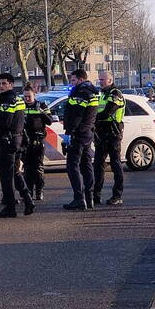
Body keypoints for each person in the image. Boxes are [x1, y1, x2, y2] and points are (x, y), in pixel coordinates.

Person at [0, 73, 35, 218]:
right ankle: (28, 200)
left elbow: (5, 122)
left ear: (11, 84)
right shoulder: (15, 98)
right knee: (15, 172)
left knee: (6, 176)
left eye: (4, 83)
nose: (0, 86)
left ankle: (10, 207)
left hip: (8, 141)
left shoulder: (8, 100)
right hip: (15, 140)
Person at [62, 69, 99, 211]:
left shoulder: (81, 93)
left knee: (72, 166)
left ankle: (79, 198)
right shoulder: (92, 92)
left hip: (78, 134)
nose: (71, 84)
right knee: (86, 165)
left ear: (81, 79)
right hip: (88, 132)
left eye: (73, 80)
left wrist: (69, 132)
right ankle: (89, 199)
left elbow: (76, 114)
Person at [93, 70, 125, 206]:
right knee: (98, 166)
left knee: (116, 164)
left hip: (113, 133)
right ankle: (96, 195)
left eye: (102, 80)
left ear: (110, 80)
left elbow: (108, 112)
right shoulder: (101, 94)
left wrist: (92, 118)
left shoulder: (115, 94)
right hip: (101, 133)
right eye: (99, 79)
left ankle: (117, 195)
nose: (100, 82)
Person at [22, 83, 52, 202]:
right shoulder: (21, 106)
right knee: (27, 169)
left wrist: (41, 112)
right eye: (25, 96)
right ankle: (28, 192)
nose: (27, 99)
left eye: (29, 96)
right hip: (25, 142)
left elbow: (49, 121)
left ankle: (39, 191)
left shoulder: (41, 105)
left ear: (34, 95)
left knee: (38, 168)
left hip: (38, 141)